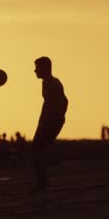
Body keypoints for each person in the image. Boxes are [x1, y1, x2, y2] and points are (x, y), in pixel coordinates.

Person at [31, 56, 68, 190]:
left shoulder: (52, 83)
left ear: (45, 68)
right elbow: (63, 101)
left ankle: (43, 182)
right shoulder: (48, 82)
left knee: (36, 150)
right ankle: (43, 180)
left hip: (50, 122)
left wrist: (54, 119)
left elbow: (62, 102)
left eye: (37, 67)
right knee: (38, 151)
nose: (35, 70)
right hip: (50, 121)